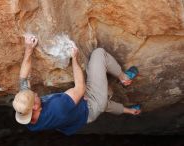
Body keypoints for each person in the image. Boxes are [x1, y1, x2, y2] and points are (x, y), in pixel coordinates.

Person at [12, 34, 141, 136]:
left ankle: (131, 111)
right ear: (34, 107)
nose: (35, 93)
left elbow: (23, 77)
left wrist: (29, 49)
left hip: (79, 118)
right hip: (90, 105)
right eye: (34, 95)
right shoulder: (58, 108)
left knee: (103, 104)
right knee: (99, 54)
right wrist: (74, 58)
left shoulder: (26, 116)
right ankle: (124, 78)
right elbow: (80, 88)